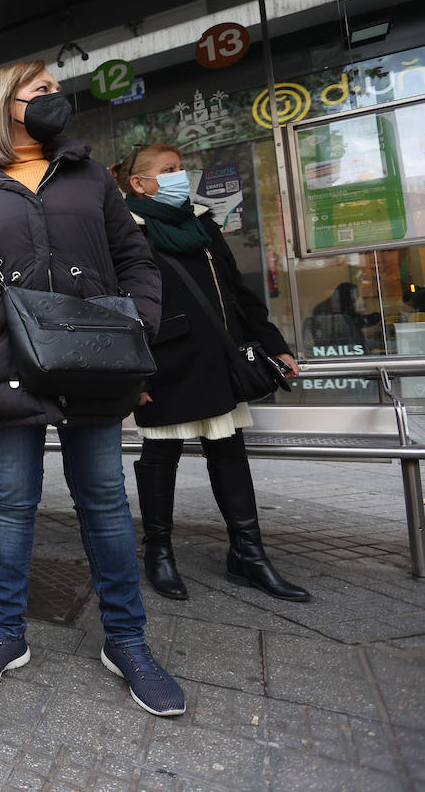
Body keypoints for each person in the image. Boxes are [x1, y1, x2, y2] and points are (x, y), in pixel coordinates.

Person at [0, 61, 184, 717]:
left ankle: (126, 640)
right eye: (39, 89)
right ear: (4, 104)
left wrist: (139, 324)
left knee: (103, 502)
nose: (54, 96)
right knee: (10, 502)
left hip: (93, 360)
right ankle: (5, 634)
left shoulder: (90, 175)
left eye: (55, 88)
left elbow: (135, 259)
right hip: (7, 365)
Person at [116, 144, 310, 603]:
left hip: (221, 360)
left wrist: (274, 345)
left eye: (181, 167)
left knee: (229, 452)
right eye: (168, 170)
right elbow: (119, 310)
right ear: (140, 184)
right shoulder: (124, 232)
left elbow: (238, 291)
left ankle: (248, 554)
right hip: (166, 365)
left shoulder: (201, 222)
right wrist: (133, 377)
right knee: (161, 458)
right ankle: (158, 553)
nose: (181, 176)